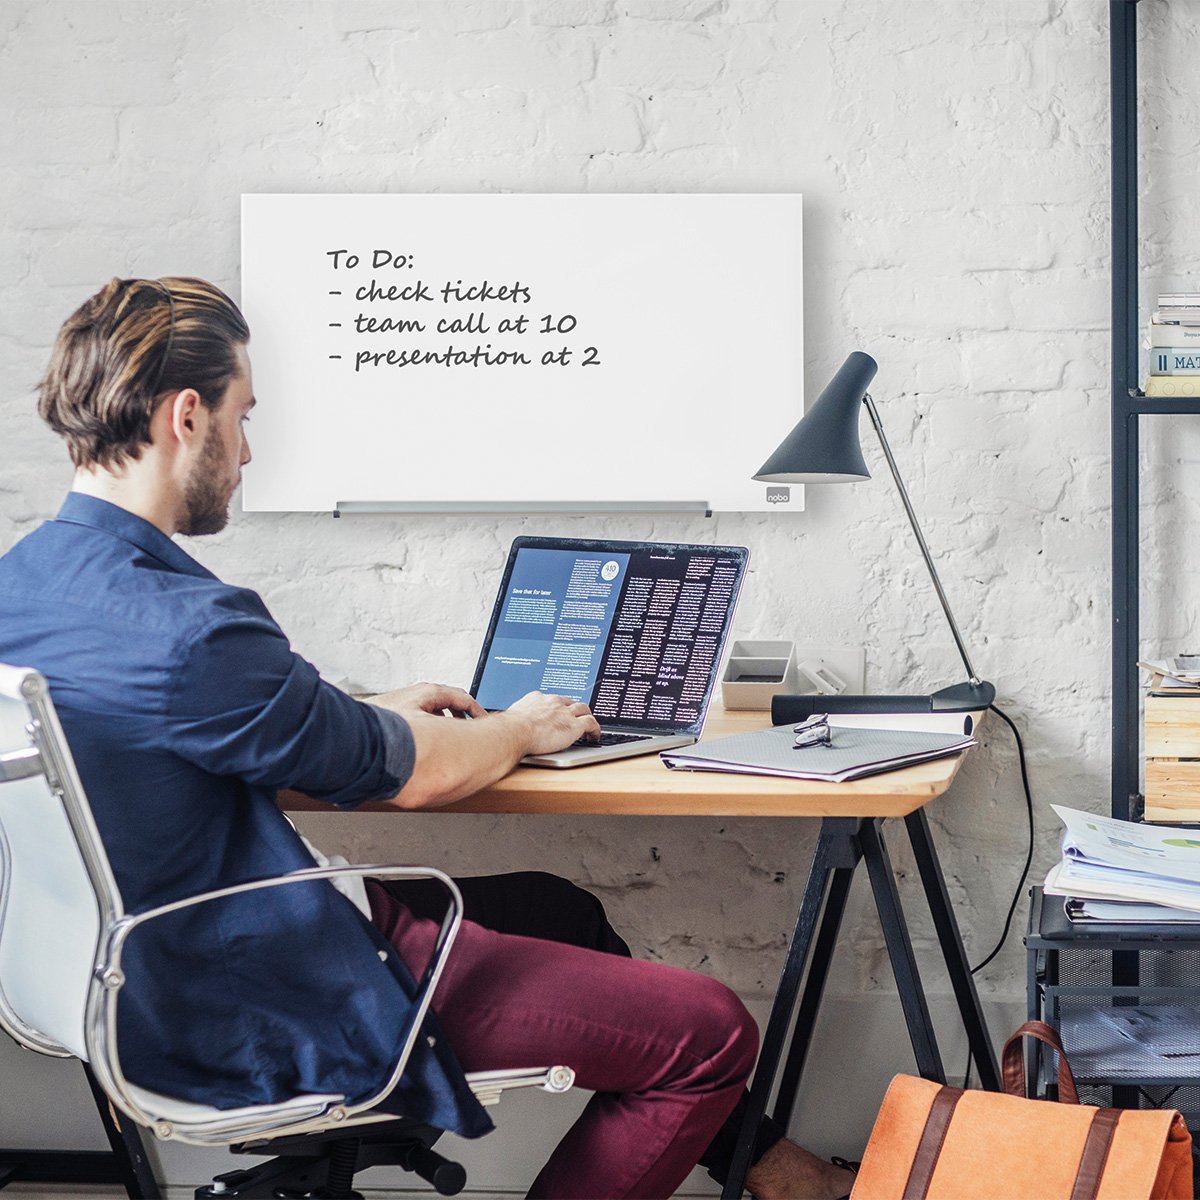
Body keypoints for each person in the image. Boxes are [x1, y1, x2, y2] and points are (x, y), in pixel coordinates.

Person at [0, 277, 856, 1200]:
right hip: (261, 986)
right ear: (185, 416)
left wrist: (361, 707)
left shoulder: (29, 582)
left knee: (559, 907)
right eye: (243, 417)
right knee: (712, 1031)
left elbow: (203, 725)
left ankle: (773, 1171)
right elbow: (409, 779)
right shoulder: (191, 627)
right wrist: (524, 725)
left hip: (123, 978)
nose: (247, 452)